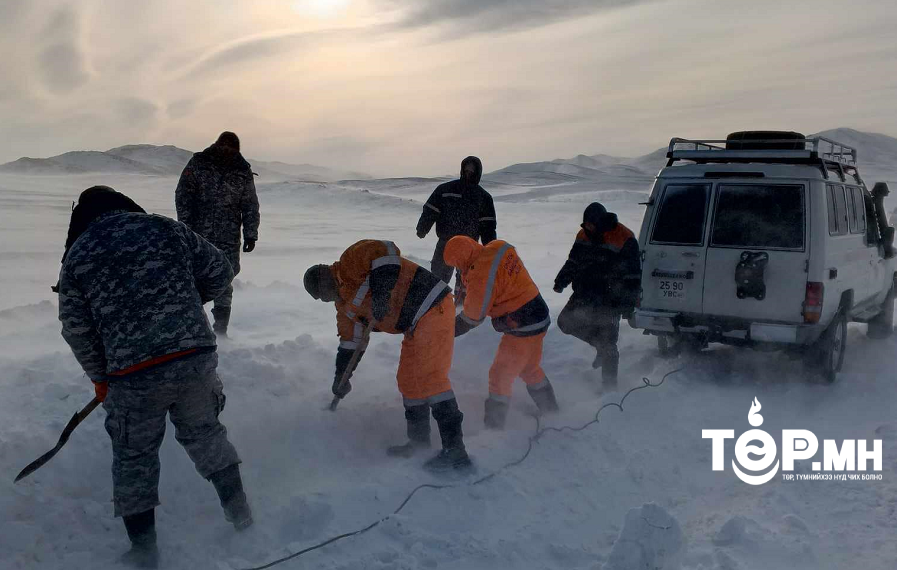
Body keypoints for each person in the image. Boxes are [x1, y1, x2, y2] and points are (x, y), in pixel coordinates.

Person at [57, 186, 251, 569]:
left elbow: (76, 328)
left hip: (132, 374)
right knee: (206, 435)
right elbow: (221, 271)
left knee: (134, 457)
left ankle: (144, 552)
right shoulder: (165, 228)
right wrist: (187, 303)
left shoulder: (78, 255)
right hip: (194, 355)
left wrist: (101, 376)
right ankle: (242, 516)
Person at [303, 239, 471, 471]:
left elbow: (387, 252)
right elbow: (351, 344)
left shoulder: (350, 260)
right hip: (413, 324)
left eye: (322, 295)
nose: (325, 300)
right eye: (321, 299)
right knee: (409, 381)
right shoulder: (345, 308)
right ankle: (418, 441)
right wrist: (342, 378)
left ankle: (456, 452)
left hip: (433, 305)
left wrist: (382, 294)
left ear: (325, 279)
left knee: (431, 377)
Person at [444, 236, 559, 429]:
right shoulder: (497, 247)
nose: (457, 267)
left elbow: (472, 317)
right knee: (530, 369)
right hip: (539, 314)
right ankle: (552, 411)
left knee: (500, 375)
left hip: (522, 326)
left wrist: (445, 332)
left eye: (456, 263)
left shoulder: (481, 276)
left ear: (461, 258)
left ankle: (494, 429)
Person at [176, 131, 260, 337]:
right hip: (198, 235)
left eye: (231, 148)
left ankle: (221, 331)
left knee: (225, 280)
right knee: (193, 280)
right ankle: (194, 329)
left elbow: (249, 204)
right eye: (224, 146)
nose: (227, 151)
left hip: (228, 237)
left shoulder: (242, 171)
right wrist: (185, 227)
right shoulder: (199, 163)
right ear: (217, 144)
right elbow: (183, 195)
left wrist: (251, 233)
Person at [554, 202, 640, 387]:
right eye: (586, 225)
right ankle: (599, 345)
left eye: (591, 225)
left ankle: (609, 388)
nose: (588, 228)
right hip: (584, 292)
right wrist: (562, 279)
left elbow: (633, 275)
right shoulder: (583, 234)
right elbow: (574, 260)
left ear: (600, 222)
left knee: (609, 343)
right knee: (565, 322)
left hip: (611, 297)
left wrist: (628, 303)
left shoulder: (624, 237)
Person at [416, 156, 497, 292]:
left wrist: (490, 247)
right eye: (467, 170)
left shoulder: (482, 197)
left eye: (471, 170)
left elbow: (488, 225)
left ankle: (459, 308)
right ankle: (441, 306)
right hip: (452, 244)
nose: (469, 173)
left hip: (464, 247)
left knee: (458, 283)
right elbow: (431, 210)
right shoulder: (447, 190)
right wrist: (422, 228)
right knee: (438, 283)